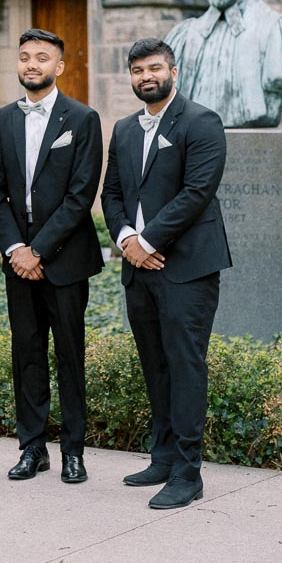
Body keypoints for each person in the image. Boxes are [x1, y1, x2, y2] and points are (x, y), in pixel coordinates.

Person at [101, 38, 231, 510]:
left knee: (185, 364)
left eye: (154, 68)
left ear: (173, 71)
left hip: (186, 268)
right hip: (139, 268)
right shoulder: (122, 129)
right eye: (137, 70)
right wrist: (126, 243)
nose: (145, 77)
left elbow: (196, 193)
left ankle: (188, 473)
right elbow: (111, 194)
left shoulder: (201, 122)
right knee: (154, 363)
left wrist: (147, 242)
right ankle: (163, 456)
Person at [0, 29, 103, 486]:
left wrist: (39, 250)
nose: (31, 64)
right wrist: (17, 249)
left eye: (42, 58)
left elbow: (80, 196)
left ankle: (73, 451)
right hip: (20, 262)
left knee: (70, 356)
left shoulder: (83, 118)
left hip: (66, 260)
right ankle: (32, 448)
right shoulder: (5, 118)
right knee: (27, 354)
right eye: (25, 57)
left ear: (60, 66)